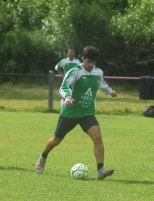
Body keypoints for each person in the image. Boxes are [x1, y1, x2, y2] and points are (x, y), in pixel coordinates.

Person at [36, 46, 117, 180]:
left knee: (97, 136)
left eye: (93, 62)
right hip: (70, 112)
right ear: (83, 59)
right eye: (88, 62)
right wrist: (67, 97)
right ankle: (43, 157)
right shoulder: (75, 71)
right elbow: (64, 86)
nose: (90, 65)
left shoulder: (98, 72)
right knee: (56, 140)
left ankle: (100, 170)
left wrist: (109, 92)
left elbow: (101, 84)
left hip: (87, 112)